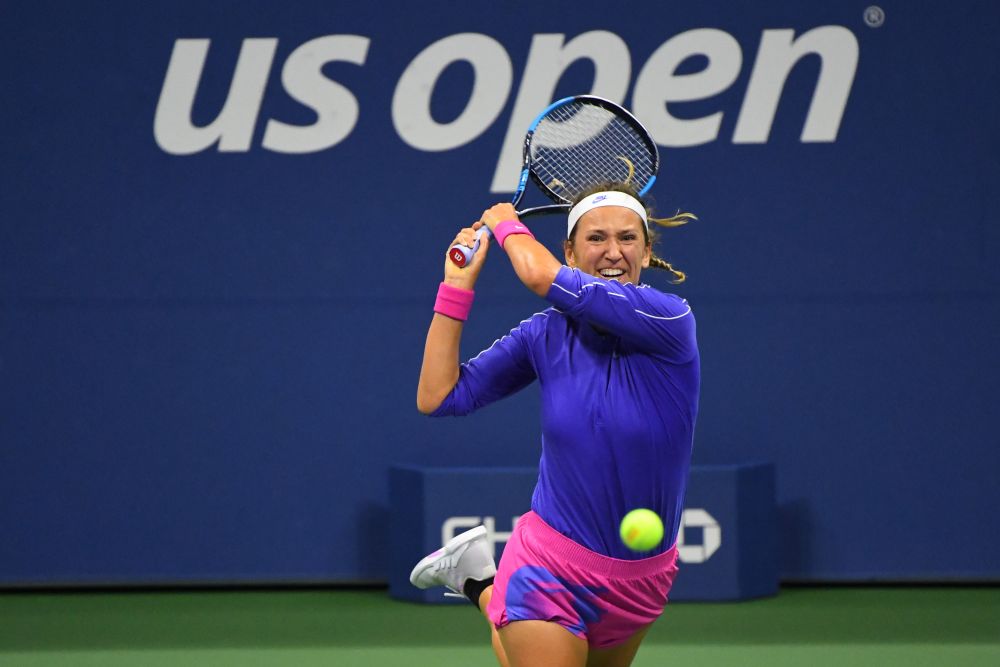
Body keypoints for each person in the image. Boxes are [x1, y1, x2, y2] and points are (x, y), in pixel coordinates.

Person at [410, 183, 700, 667]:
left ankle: (479, 580)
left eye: (628, 239)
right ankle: (496, 586)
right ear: (571, 249)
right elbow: (437, 396)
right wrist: (456, 288)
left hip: (643, 578)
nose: (613, 252)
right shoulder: (543, 334)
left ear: (647, 252)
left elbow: (537, 272)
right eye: (596, 238)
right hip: (550, 562)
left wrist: (505, 222)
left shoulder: (669, 319)